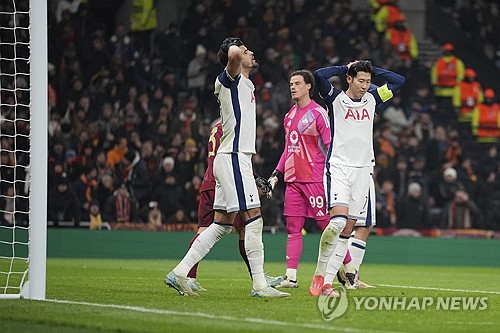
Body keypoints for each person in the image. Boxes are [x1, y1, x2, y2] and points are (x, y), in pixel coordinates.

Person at [165, 37, 289, 298]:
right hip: (233, 156)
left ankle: (180, 272)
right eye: (246, 51)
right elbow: (231, 54)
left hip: (232, 157)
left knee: (221, 225)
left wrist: (238, 51)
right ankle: (259, 285)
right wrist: (234, 47)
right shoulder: (227, 80)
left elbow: (235, 56)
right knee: (254, 219)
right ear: (235, 58)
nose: (251, 52)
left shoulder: (245, 83)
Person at [310, 60, 405, 296]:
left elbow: (399, 81)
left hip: (364, 170)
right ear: (349, 80)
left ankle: (327, 284)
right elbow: (319, 74)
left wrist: (373, 71)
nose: (364, 86)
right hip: (339, 167)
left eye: (368, 81)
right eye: (360, 80)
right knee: (339, 222)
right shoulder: (335, 99)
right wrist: (345, 68)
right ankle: (320, 273)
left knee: (347, 231)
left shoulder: (373, 99)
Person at [185, 119, 283, 292]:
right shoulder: (232, 127)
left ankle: (189, 277)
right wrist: (253, 177)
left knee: (203, 230)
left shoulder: (216, 126)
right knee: (246, 228)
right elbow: (235, 160)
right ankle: (258, 277)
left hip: (209, 181)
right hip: (225, 183)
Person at [267, 69, 331, 288]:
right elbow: (288, 149)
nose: (292, 87)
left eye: (296, 83)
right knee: (293, 228)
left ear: (308, 86)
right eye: (291, 83)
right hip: (293, 180)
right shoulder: (289, 116)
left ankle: (349, 270)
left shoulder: (319, 113)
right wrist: (277, 173)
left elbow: (331, 147)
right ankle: (291, 277)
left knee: (327, 226)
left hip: (314, 178)